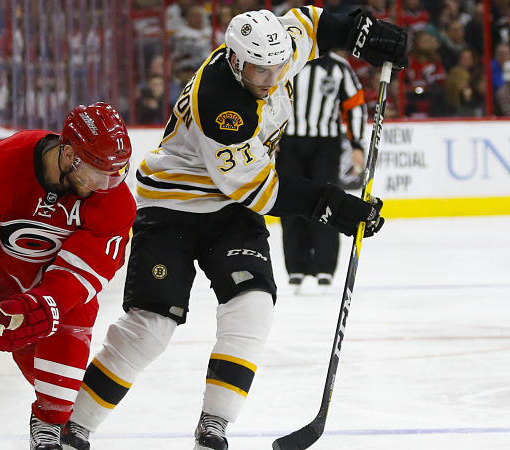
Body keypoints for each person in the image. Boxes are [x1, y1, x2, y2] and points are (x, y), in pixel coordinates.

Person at [61, 7, 406, 450]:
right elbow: (258, 192)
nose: (270, 76)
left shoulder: (275, 50)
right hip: (173, 207)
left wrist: (363, 32)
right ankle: (74, 426)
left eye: (277, 66)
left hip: (229, 211)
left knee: (254, 305)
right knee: (151, 326)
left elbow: (312, 22)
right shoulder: (224, 105)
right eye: (259, 69)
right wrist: (335, 207)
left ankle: (214, 426)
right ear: (236, 60)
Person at [0, 102, 136, 450]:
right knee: (29, 351)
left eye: (115, 175)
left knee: (71, 325)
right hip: (1, 281)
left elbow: (83, 270)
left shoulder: (114, 201)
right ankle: (56, 414)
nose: (105, 185)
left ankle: (51, 422)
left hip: (60, 291)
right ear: (68, 153)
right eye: (96, 172)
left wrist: (48, 303)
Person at [277, 50, 368, 291]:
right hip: (288, 144)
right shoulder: (284, 60)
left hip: (325, 144)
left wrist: (357, 143)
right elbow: (267, 100)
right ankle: (296, 265)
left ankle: (325, 267)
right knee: (289, 201)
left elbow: (354, 105)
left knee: (328, 201)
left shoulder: (339, 67)